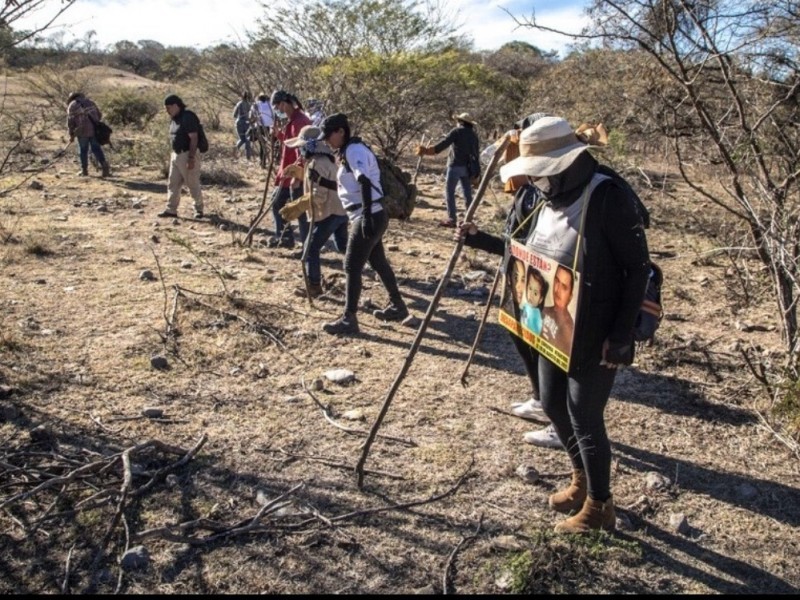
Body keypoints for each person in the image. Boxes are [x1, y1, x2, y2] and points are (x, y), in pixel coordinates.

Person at [498, 115, 651, 534]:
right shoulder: (546, 196)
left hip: (596, 329)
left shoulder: (608, 197)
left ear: (567, 162)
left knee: (584, 416)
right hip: (556, 325)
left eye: (543, 172)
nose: (537, 180)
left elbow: (637, 269)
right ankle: (581, 478)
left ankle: (601, 507)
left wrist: (620, 338)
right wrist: (476, 238)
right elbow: (523, 249)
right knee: (551, 402)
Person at [317, 113, 409, 334]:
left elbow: (363, 180)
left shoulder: (354, 150)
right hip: (371, 213)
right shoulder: (349, 150)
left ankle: (349, 319)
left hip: (368, 214)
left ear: (341, 131)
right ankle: (398, 306)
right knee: (378, 261)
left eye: (329, 135)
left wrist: (366, 215)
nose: (327, 141)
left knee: (351, 265)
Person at [280, 125, 348, 298]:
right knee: (345, 247)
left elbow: (318, 195)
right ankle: (361, 273)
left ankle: (314, 286)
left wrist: (298, 206)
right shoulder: (325, 161)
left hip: (330, 212)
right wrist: (302, 174)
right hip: (341, 211)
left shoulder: (316, 164)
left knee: (311, 248)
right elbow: (324, 182)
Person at [415, 113, 480, 228]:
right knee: (467, 193)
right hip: (468, 168)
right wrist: (477, 172)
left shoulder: (456, 131)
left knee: (449, 192)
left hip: (455, 166)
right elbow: (476, 154)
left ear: (460, 121)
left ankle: (452, 219)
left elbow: (443, 144)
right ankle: (469, 219)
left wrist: (427, 151)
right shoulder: (474, 135)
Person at [268, 90, 312, 248]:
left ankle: (305, 247)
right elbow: (291, 143)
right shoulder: (294, 120)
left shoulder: (300, 121)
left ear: (285, 103)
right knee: (280, 204)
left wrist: (297, 176)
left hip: (295, 176)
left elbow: (304, 151)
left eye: (277, 105)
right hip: (289, 173)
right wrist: (279, 135)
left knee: (300, 211)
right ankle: (285, 238)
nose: (277, 110)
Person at [158, 94, 204, 219]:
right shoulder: (174, 118)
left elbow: (194, 138)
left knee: (192, 183)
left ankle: (198, 209)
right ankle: (171, 209)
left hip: (187, 154)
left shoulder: (188, 117)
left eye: (168, 108)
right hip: (175, 155)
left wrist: (191, 157)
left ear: (175, 105)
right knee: (173, 183)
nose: (167, 111)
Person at [66, 92, 110, 178]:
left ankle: (84, 170)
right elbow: (99, 115)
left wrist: (71, 134)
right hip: (94, 130)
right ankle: (104, 167)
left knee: (83, 150)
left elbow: (70, 121)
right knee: (96, 149)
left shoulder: (72, 105)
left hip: (81, 131)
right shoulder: (91, 102)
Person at [540, 264, 576, 357]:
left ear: (570, 296)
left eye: (564, 287)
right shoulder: (544, 311)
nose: (557, 289)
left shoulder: (569, 330)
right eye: (556, 281)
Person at [250, 93, 274, 169]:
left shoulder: (255, 105)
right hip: (270, 127)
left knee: (262, 145)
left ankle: (262, 162)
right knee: (271, 145)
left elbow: (251, 117)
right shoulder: (271, 105)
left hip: (261, 127)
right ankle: (272, 161)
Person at [521, 266, 547, 336]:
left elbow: (537, 332)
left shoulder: (537, 315)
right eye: (530, 288)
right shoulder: (526, 305)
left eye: (535, 293)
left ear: (540, 299)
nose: (531, 295)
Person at [232, 92, 253, 161]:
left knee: (242, 139)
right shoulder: (250, 105)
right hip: (247, 123)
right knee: (247, 140)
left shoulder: (239, 104)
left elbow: (234, 115)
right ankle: (248, 158)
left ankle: (235, 149)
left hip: (239, 123)